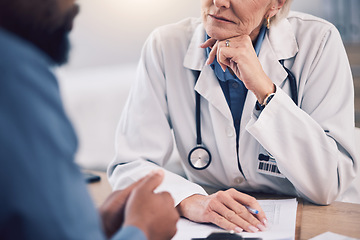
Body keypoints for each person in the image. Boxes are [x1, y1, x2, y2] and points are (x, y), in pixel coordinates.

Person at [108, 0, 359, 234]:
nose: (219, 2)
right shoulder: (165, 46)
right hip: (213, 228)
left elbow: (329, 184)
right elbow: (130, 164)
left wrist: (265, 90)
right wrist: (188, 200)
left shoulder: (318, 41)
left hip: (320, 222)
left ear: (277, 3)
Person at [0, 0, 179, 239]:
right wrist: (143, 231)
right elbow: (132, 162)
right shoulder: (13, 75)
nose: (75, 6)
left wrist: (98, 227)